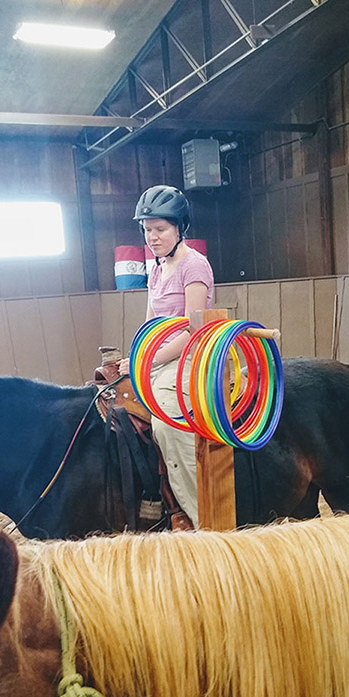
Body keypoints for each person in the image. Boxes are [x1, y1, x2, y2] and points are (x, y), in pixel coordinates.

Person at [119, 184, 214, 526]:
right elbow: (150, 322)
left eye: (160, 229)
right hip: (157, 356)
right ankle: (151, 497)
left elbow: (191, 329)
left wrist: (153, 359)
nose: (153, 237)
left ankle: (200, 515)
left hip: (187, 359)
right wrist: (135, 356)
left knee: (166, 424)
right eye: (147, 230)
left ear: (179, 228)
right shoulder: (157, 268)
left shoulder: (195, 266)